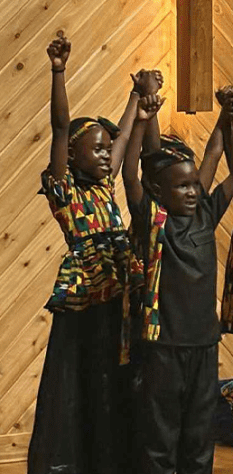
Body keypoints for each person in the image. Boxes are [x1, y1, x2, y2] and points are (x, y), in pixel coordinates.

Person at [28, 36, 144, 474]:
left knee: (113, 367)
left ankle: (111, 453)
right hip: (86, 284)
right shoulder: (66, 190)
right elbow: (60, 127)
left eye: (104, 149)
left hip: (118, 279)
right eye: (94, 148)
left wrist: (136, 97)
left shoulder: (102, 185)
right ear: (72, 155)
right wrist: (59, 71)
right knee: (83, 368)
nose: (103, 154)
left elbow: (126, 132)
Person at [124, 87, 233, 474]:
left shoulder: (205, 214)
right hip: (164, 347)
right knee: (160, 435)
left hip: (203, 346)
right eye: (183, 186)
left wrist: (231, 117)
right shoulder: (152, 222)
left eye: (195, 184)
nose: (194, 191)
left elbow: (230, 166)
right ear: (159, 191)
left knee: (199, 435)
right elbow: (130, 174)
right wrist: (143, 120)